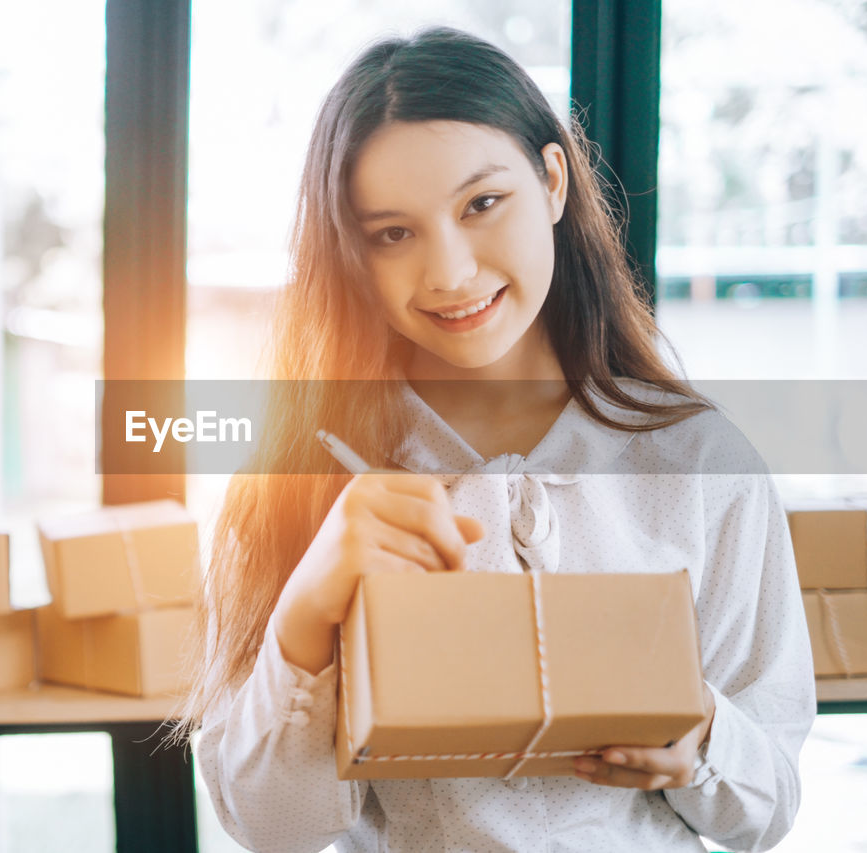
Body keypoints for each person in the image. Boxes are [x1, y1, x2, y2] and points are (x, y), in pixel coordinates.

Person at [173, 26, 816, 853]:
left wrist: (697, 738)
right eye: (392, 233)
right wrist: (307, 612)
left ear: (551, 181)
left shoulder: (696, 459)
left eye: (482, 204)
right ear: (352, 253)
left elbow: (771, 811)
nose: (449, 273)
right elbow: (268, 827)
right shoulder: (299, 471)